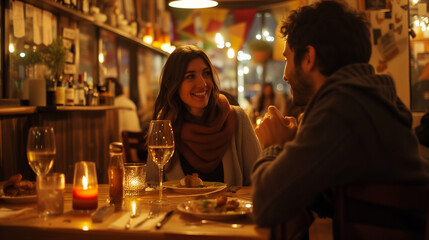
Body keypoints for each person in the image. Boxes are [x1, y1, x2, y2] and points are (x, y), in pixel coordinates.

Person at [251, 0, 429, 234]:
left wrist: (274, 146)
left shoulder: (342, 108)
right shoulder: (369, 98)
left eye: (286, 58)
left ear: (308, 57)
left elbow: (265, 204)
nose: (284, 75)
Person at [146, 45, 261, 186]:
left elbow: (260, 181)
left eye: (206, 74)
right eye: (190, 76)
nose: (202, 84)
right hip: (176, 208)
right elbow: (151, 184)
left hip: (228, 208)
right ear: (172, 84)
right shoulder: (164, 125)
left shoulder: (237, 118)